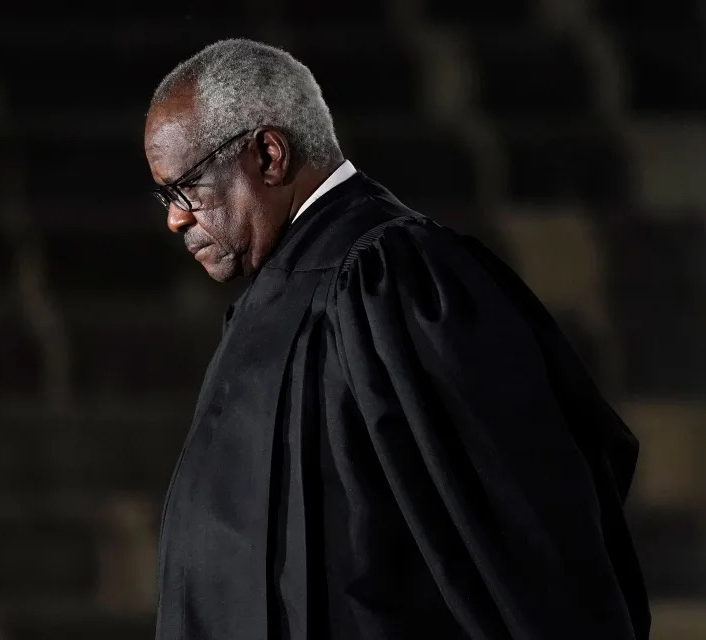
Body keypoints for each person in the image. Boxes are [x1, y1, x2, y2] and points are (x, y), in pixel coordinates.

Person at [143, 38, 650, 640]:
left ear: (269, 155)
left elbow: (522, 532)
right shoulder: (279, 295)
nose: (175, 218)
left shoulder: (394, 279)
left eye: (186, 189)